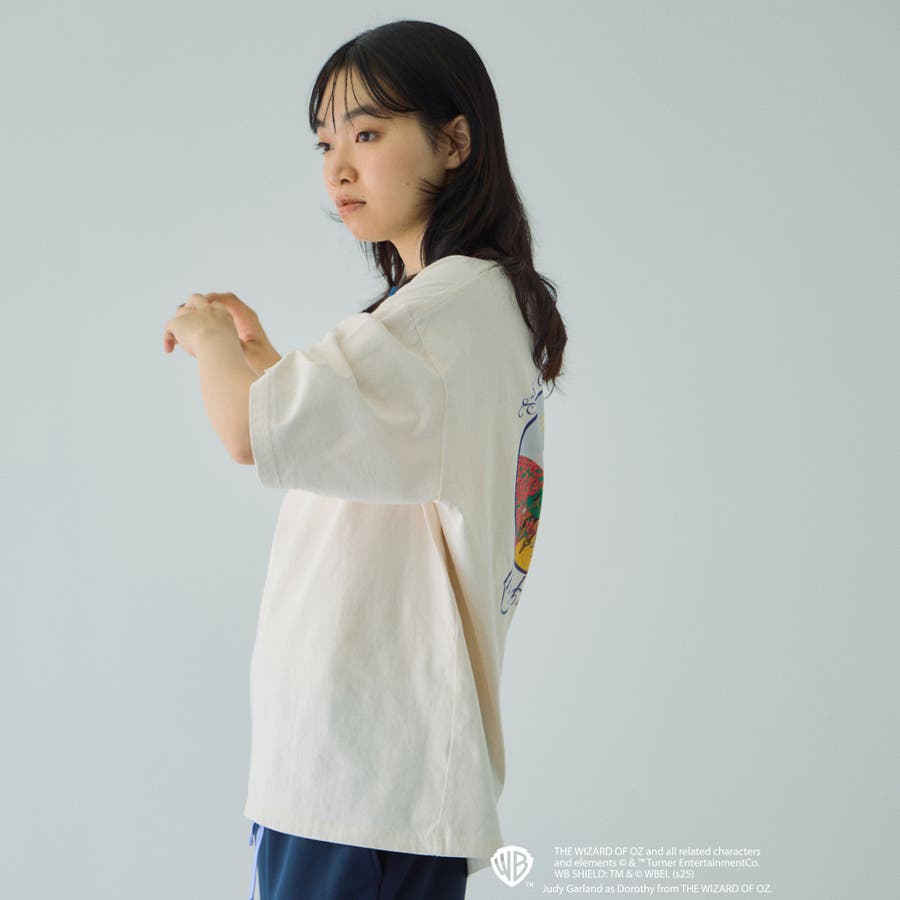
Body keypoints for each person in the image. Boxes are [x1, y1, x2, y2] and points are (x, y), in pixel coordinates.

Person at [163, 19, 567, 900]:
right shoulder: (473, 304)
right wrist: (266, 360)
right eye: (325, 143)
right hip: (393, 778)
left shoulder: (436, 314)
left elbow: (246, 432)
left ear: (455, 141)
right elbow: (374, 450)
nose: (337, 168)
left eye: (369, 134)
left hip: (355, 780)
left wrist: (205, 339)